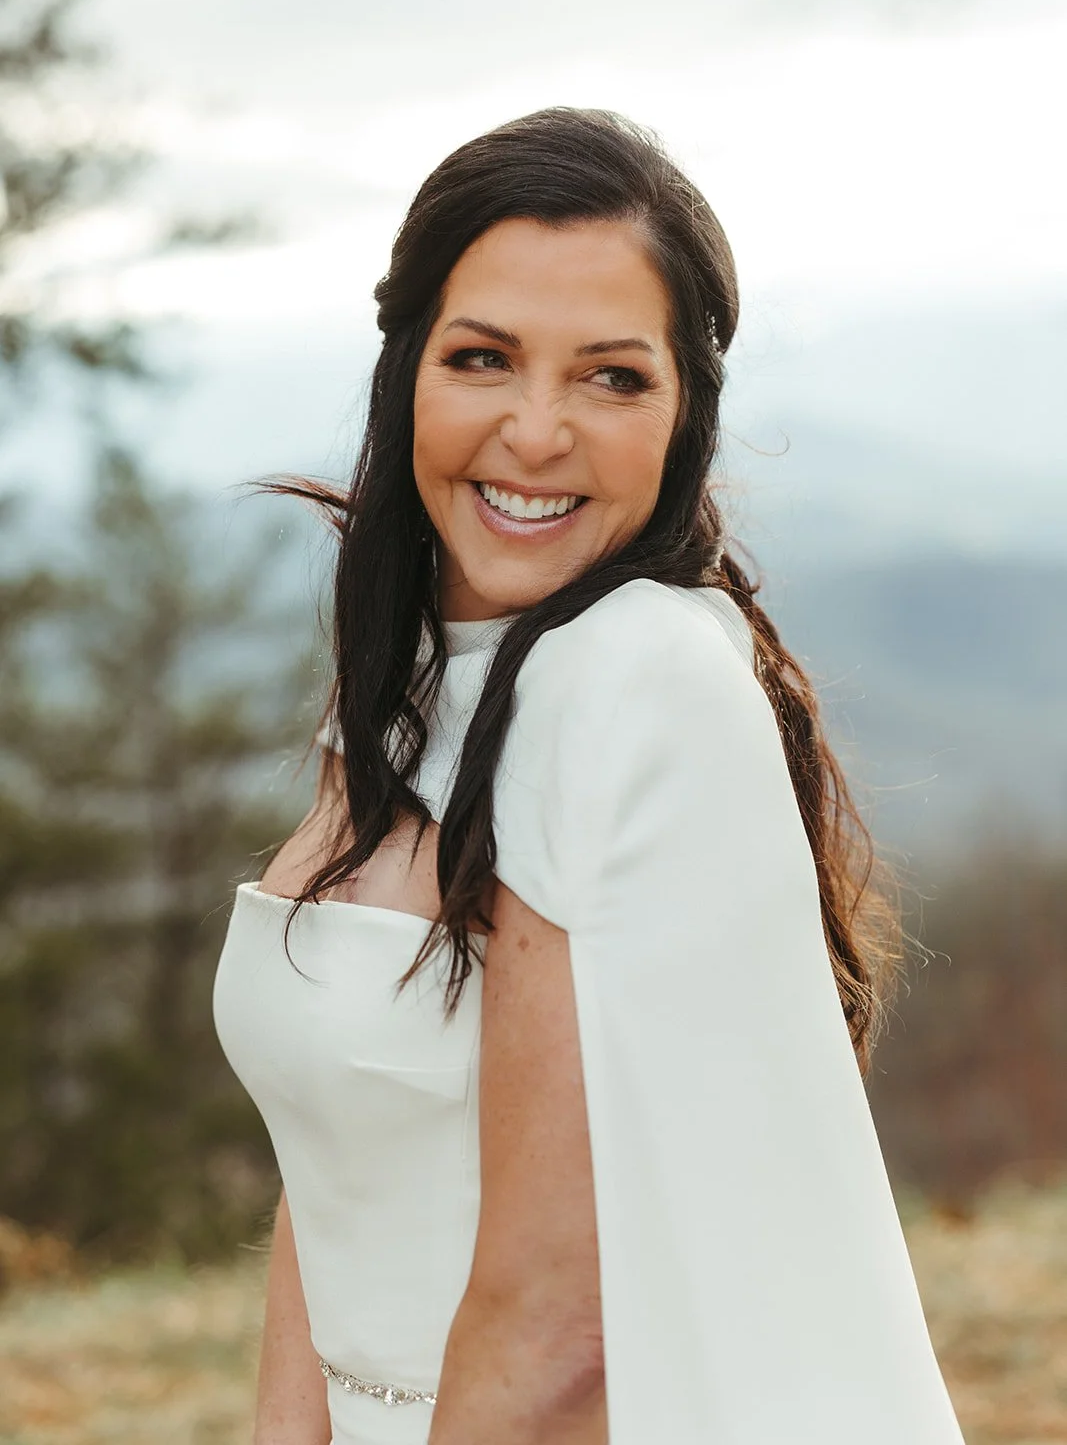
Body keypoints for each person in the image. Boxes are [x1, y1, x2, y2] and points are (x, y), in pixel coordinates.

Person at [213, 107, 965, 1445]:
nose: (537, 431)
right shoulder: (405, 680)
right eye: (483, 358)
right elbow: (335, 1158)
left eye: (611, 377)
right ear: (406, 371)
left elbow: (561, 1334)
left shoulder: (627, 677)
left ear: (684, 415)